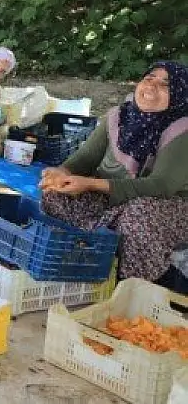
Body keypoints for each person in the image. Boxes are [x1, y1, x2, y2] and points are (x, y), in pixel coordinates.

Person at [40, 61, 188, 283]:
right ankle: (77, 263)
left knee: (139, 215)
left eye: (165, 85)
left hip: (168, 204)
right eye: (149, 79)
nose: (151, 86)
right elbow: (85, 160)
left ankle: (129, 288)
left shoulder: (182, 128)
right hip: (114, 196)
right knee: (55, 194)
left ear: (179, 95)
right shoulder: (119, 116)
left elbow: (162, 185)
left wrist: (90, 184)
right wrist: (59, 172)